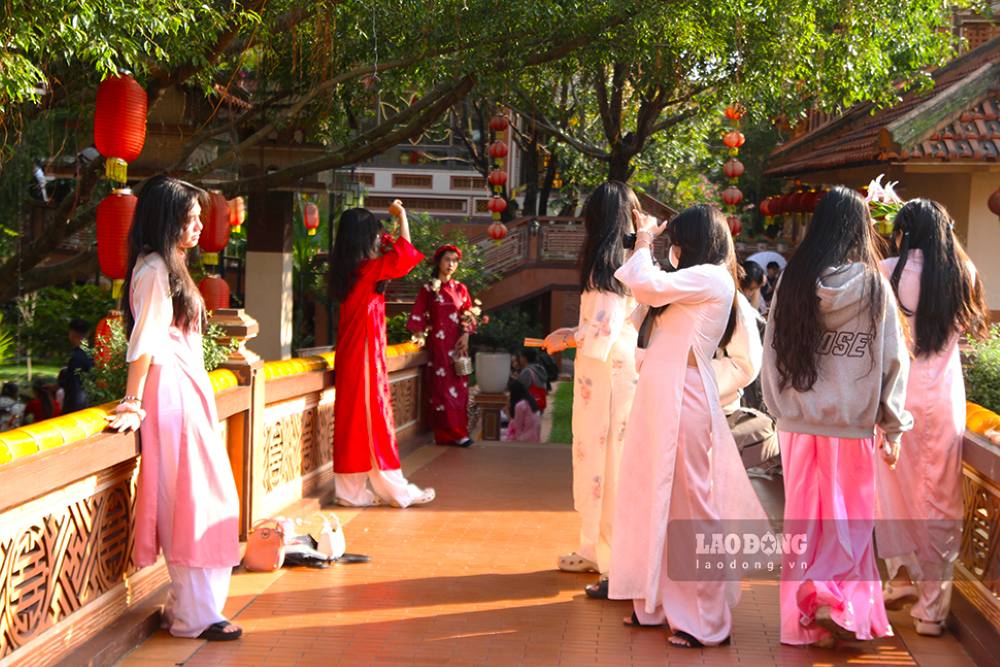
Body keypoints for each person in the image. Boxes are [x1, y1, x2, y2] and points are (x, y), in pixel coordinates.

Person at [609, 204, 767, 648]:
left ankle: (705, 618)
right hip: (663, 397)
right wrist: (644, 246)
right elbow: (646, 290)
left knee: (692, 505)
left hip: (684, 398)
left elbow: (645, 286)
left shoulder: (712, 277)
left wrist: (643, 240)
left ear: (693, 241)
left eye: (676, 240)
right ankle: (655, 602)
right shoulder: (693, 281)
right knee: (654, 495)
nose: (671, 248)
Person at [762, 186, 912, 646]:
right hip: (851, 428)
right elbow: (892, 360)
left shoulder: (792, 280)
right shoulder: (873, 286)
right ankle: (843, 606)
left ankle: (801, 622)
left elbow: (772, 354)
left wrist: (780, 409)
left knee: (803, 527)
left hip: (798, 426)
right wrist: (893, 424)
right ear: (858, 228)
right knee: (849, 526)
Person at [105, 175, 242, 642]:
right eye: (192, 216)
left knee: (204, 497)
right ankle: (193, 616)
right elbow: (143, 342)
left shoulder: (170, 265)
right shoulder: (154, 271)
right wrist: (133, 400)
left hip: (187, 390)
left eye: (201, 216)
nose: (200, 224)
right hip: (171, 395)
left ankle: (193, 609)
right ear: (168, 219)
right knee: (189, 501)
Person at [875, 199, 990, 637]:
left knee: (892, 492)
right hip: (943, 399)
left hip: (897, 396)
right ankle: (931, 610)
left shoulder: (888, 273)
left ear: (905, 233)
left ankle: (900, 574)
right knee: (941, 501)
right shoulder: (966, 274)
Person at [542, 181, 639, 590]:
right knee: (598, 459)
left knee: (605, 462)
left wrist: (567, 337)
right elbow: (600, 326)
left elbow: (602, 332)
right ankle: (593, 547)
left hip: (607, 377)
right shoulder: (630, 261)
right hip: (610, 372)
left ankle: (611, 557)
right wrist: (573, 331)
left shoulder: (609, 265)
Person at [329, 201, 435, 508]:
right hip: (364, 355)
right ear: (364, 239)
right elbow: (405, 256)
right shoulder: (368, 270)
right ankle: (396, 490)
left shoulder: (350, 272)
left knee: (353, 422)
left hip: (353, 354)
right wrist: (402, 216)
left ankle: (350, 492)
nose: (379, 241)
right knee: (376, 420)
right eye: (374, 236)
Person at [407, 244, 475, 447]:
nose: (451, 264)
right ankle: (446, 434)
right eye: (448, 259)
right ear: (438, 262)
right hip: (437, 346)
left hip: (458, 346)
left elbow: (469, 315)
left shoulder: (461, 289)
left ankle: (460, 432)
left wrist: (466, 336)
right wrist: (418, 335)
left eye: (455, 260)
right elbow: (418, 315)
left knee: (459, 391)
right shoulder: (429, 289)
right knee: (441, 391)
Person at [59, 317, 94, 413]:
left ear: (71, 333)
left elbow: (75, 388)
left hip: (75, 408)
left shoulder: (76, 358)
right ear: (87, 334)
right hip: (89, 405)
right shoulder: (90, 355)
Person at [503, 378, 541, 442]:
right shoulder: (530, 400)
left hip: (526, 439)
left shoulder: (520, 405)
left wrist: (507, 412)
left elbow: (517, 428)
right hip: (535, 436)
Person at [513, 347, 549, 412]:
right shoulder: (539, 368)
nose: (519, 359)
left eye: (520, 356)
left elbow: (518, 390)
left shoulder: (527, 371)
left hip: (529, 408)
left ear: (525, 358)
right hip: (538, 405)